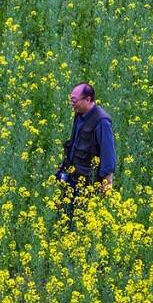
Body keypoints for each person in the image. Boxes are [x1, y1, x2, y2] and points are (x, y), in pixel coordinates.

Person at [54, 82, 116, 224]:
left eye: (74, 100)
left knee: (81, 222)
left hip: (87, 183)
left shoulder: (102, 121)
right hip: (72, 177)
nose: (72, 104)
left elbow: (108, 155)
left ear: (88, 99)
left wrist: (106, 185)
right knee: (63, 217)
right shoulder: (80, 114)